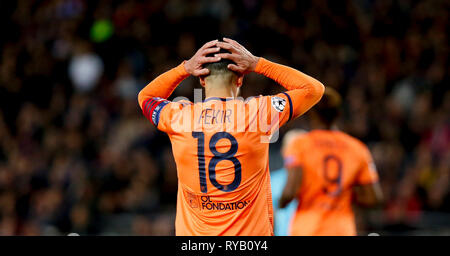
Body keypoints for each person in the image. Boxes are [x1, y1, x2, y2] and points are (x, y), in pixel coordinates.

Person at [138, 38, 324, 235]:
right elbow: (313, 89)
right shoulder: (259, 114)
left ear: (201, 79)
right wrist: (258, 64)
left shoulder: (180, 117)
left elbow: (146, 98)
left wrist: (184, 68)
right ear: (240, 79)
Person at [280, 87, 383, 236]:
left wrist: (282, 202)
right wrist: (346, 191)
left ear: (312, 114)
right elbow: (374, 198)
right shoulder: (357, 148)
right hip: (341, 229)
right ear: (338, 114)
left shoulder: (300, 145)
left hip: (307, 228)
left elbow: (290, 191)